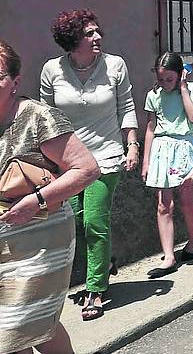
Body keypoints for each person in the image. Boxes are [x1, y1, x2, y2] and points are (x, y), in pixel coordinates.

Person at [0, 39, 100, 353]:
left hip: (40, 238)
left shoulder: (37, 117)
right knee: (39, 323)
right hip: (4, 240)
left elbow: (86, 169)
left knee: (14, 327)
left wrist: (37, 200)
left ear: (15, 82)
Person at [40, 8, 139, 320]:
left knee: (94, 221)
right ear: (72, 39)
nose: (98, 37)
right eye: (89, 33)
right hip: (68, 161)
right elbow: (46, 116)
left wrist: (132, 143)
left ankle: (95, 289)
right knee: (76, 223)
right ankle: (105, 263)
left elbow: (126, 105)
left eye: (98, 31)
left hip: (106, 157)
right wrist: (47, 159)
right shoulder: (52, 70)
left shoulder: (114, 65)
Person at [142, 53, 193, 278]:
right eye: (161, 79)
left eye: (170, 79)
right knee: (163, 204)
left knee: (187, 198)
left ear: (179, 75)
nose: (165, 84)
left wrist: (184, 89)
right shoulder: (153, 95)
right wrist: (146, 160)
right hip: (161, 148)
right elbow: (150, 127)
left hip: (184, 146)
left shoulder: (192, 89)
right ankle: (168, 256)